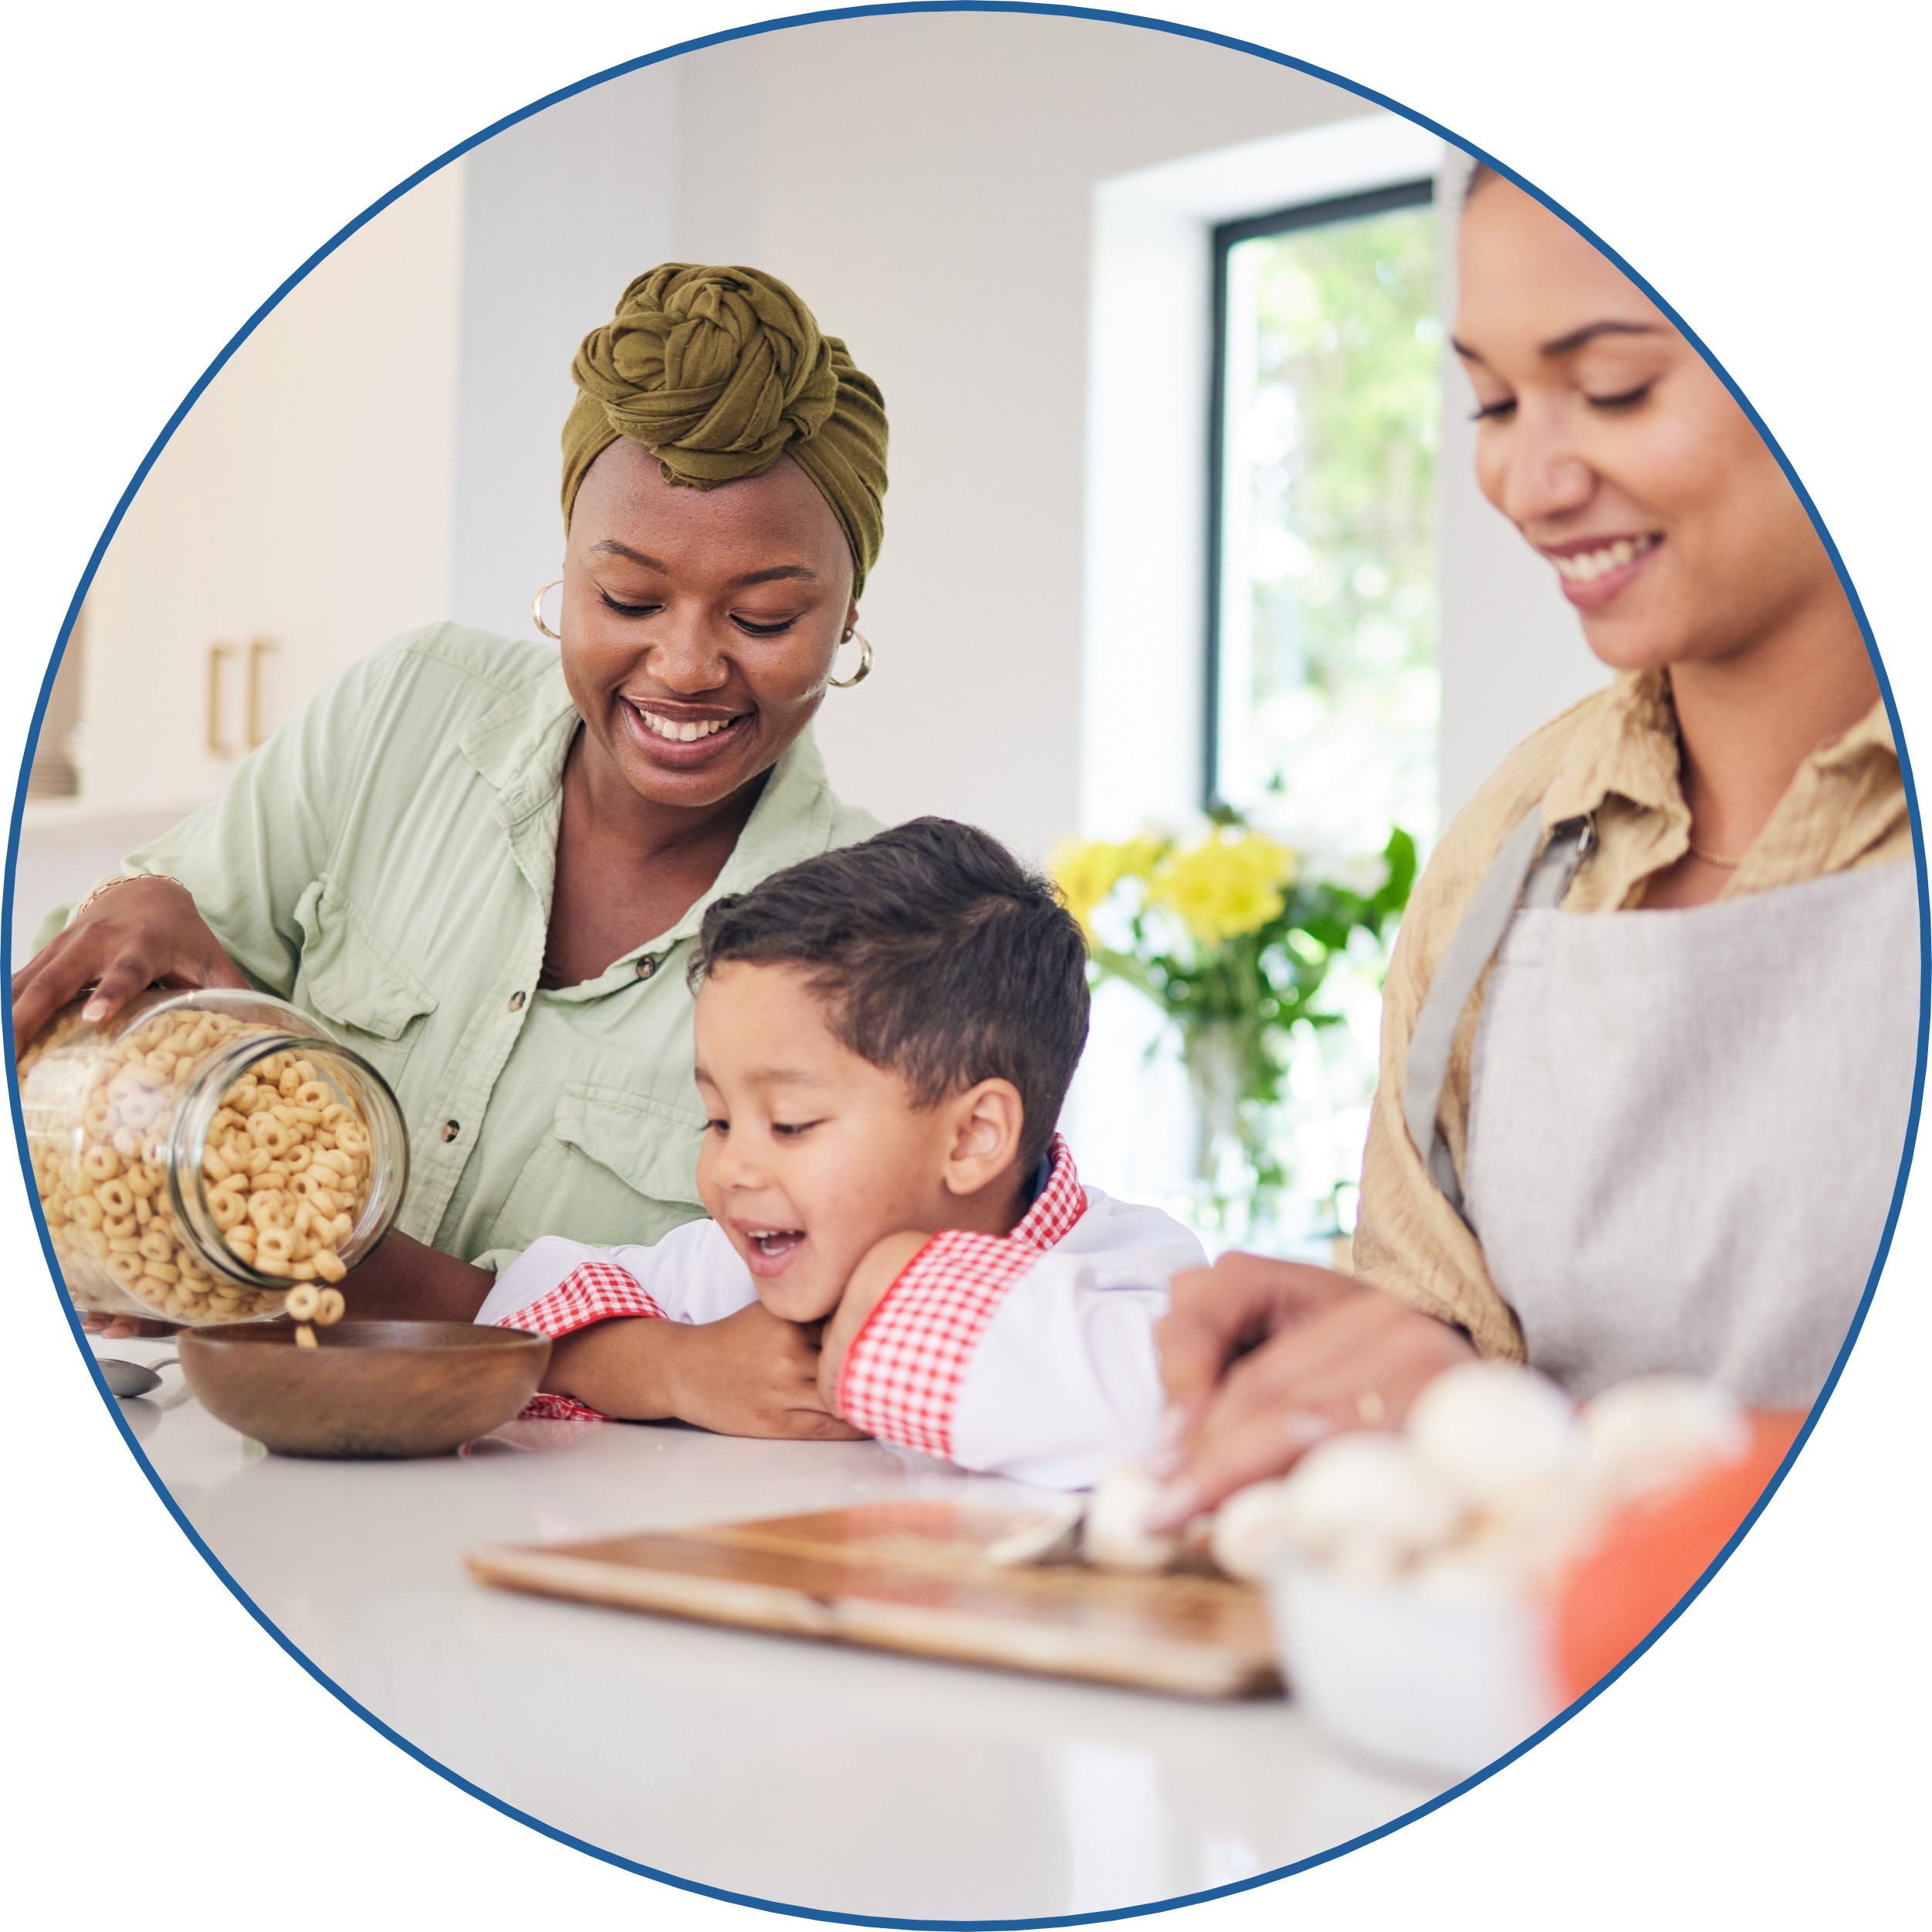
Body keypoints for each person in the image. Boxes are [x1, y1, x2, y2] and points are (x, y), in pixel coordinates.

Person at [1147, 164, 1916, 1530]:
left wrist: (1530, 1441)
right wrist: (1395, 1380)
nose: (1528, 478)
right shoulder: (1513, 846)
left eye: (1613, 387)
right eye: (1491, 403)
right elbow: (1446, 1376)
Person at [14, 264, 892, 1438]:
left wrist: (394, 1280)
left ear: (845, 615)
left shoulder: (877, 935)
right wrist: (141, 900)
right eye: (627, 596)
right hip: (240, 1451)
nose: (684, 666)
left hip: (575, 1522)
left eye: (765, 618)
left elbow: (810, 1343)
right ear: (566, 570)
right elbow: (148, 987)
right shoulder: (409, 707)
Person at [475, 818, 1206, 1479]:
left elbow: (1176, 1410)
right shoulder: (734, 1274)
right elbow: (517, 1318)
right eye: (719, 1119)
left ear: (973, 1136)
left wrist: (902, 1284)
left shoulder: (1139, 1273)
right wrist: (677, 1366)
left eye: (789, 1123)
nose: (731, 1168)